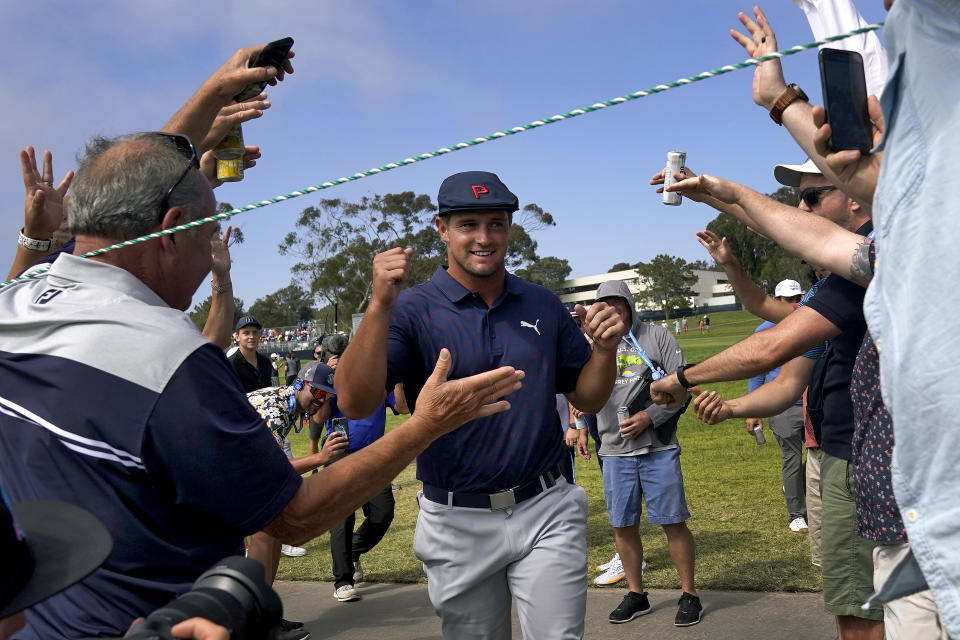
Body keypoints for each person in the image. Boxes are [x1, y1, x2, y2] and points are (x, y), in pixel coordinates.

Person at [0, 125, 524, 639]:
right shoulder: (170, 360)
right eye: (209, 232)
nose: (210, 255)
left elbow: (117, 198)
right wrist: (427, 425)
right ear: (173, 227)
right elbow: (293, 519)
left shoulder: (17, 304)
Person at [334, 170, 625, 639]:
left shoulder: (541, 303)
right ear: (441, 229)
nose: (484, 238)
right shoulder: (413, 309)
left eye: (496, 223)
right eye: (468, 224)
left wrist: (605, 352)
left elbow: (587, 396)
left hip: (545, 506)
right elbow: (354, 400)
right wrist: (379, 306)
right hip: (456, 519)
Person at [651, 158, 882, 637]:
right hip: (842, 450)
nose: (799, 207)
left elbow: (770, 347)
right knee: (863, 603)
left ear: (855, 195)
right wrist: (714, 196)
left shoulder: (862, 271)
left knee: (864, 609)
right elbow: (785, 382)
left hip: (862, 458)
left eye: (812, 195)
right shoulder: (848, 275)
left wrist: (681, 379)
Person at [590, 280, 701, 627]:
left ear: (629, 304)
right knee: (623, 526)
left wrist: (648, 417)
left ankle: (689, 594)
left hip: (658, 448)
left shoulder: (657, 336)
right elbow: (580, 390)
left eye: (618, 302)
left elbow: (682, 387)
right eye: (604, 304)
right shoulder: (590, 344)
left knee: (672, 521)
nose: (612, 309)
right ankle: (637, 595)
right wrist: (577, 425)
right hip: (613, 451)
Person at [322, 388, 406, 603]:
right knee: (343, 516)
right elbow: (318, 417)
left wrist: (399, 378)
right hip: (339, 451)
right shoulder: (335, 380)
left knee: (383, 512)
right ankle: (343, 581)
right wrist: (325, 385)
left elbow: (402, 408)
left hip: (373, 454)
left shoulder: (381, 379)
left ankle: (351, 552)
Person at [747, 279, 808, 534]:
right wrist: (753, 411)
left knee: (823, 456)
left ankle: (794, 484)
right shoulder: (764, 331)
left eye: (798, 298)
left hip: (813, 404)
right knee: (792, 460)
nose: (795, 304)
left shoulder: (812, 323)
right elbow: (756, 372)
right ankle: (797, 514)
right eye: (789, 300)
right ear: (778, 300)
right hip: (782, 406)